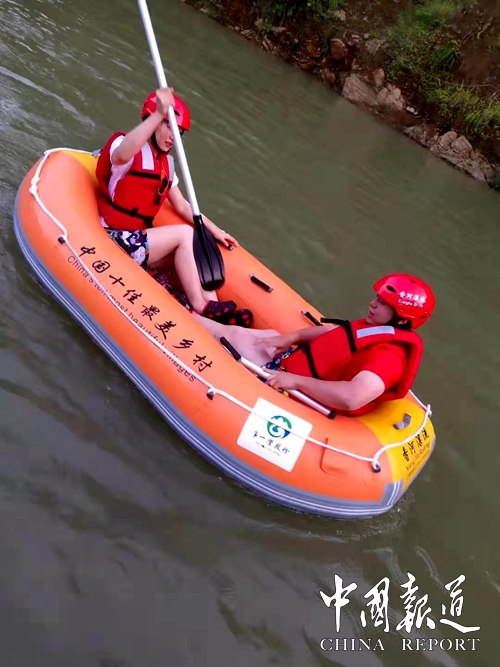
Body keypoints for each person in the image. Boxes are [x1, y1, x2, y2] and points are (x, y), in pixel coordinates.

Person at [96, 87, 252, 326]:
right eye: (169, 127)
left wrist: (214, 230)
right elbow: (120, 156)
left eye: (179, 132)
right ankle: (200, 306)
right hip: (115, 237)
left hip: (139, 241)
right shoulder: (125, 145)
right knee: (184, 234)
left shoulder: (165, 164)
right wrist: (160, 112)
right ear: (152, 120)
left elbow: (182, 206)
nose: (173, 137)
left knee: (197, 241)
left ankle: (214, 311)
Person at [194, 273, 435, 416]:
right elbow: (337, 335)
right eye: (377, 298)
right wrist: (291, 338)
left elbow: (353, 397)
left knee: (236, 337)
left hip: (299, 395)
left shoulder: (389, 358)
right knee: (267, 335)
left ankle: (186, 314)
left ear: (401, 319)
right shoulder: (379, 328)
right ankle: (201, 316)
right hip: (295, 368)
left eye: (382, 304)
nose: (373, 304)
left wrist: (295, 381)